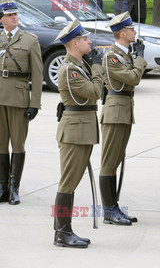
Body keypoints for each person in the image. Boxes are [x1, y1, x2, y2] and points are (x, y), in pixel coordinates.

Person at [52, 19, 104, 248]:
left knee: (71, 182)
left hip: (81, 129)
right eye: (85, 38)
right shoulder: (70, 70)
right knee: (68, 183)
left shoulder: (79, 65)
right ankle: (62, 232)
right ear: (74, 43)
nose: (89, 41)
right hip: (74, 132)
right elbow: (94, 92)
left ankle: (65, 230)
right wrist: (99, 69)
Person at [99, 12, 147, 226]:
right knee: (109, 163)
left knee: (116, 160)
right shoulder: (112, 56)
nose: (134, 31)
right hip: (115, 111)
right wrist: (140, 59)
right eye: (131, 29)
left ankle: (114, 207)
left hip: (124, 110)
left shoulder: (124, 54)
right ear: (122, 33)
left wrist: (135, 58)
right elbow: (133, 78)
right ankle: (109, 211)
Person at [0, 0, 43, 205]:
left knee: (18, 144)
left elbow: (37, 74)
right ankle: (2, 188)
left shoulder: (30, 40)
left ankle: (14, 188)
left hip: (18, 98)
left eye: (15, 14)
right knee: (0, 145)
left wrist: (34, 103)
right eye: (9, 15)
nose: (14, 17)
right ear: (2, 19)